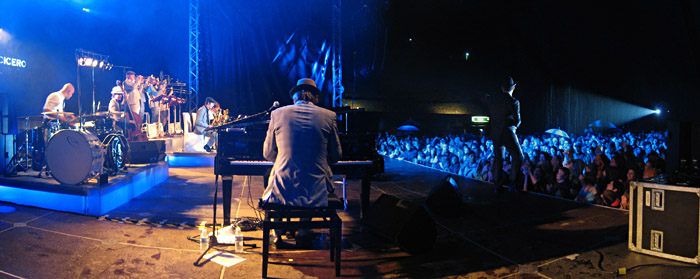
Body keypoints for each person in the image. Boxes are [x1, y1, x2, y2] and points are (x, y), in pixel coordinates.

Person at [261, 78, 342, 248]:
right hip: (316, 188)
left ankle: (279, 233)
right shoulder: (329, 116)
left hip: (284, 185)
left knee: (277, 176)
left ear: (295, 98)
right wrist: (317, 159)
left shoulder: (277, 114)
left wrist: (285, 157)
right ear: (316, 98)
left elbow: (268, 154)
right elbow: (337, 155)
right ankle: (304, 231)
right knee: (314, 180)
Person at [483, 75, 523, 192]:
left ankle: (497, 185)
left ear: (502, 88)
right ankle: (513, 185)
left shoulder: (493, 100)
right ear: (513, 88)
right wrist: (513, 124)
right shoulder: (513, 102)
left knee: (498, 159)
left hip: (495, 133)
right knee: (518, 157)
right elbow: (518, 121)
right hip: (508, 133)